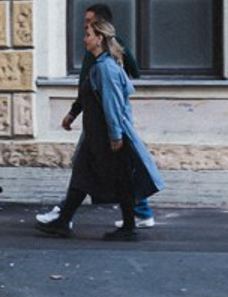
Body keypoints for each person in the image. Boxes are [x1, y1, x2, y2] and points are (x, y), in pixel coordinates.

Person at [35, 16, 163, 241]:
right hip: (95, 134)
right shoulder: (98, 66)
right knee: (81, 177)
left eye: (88, 34)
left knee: (121, 179)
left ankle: (129, 227)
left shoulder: (105, 68)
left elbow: (111, 104)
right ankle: (63, 222)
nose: (84, 39)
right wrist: (73, 113)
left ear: (99, 38)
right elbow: (88, 96)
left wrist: (115, 135)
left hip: (106, 136)